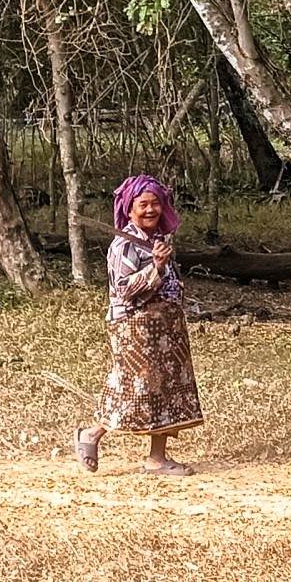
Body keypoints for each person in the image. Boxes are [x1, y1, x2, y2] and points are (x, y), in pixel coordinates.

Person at [73, 174, 202, 475]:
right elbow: (124, 290)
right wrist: (156, 267)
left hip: (165, 327)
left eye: (155, 204)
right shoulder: (123, 246)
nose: (150, 210)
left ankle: (157, 458)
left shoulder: (158, 240)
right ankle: (91, 435)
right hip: (135, 327)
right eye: (143, 204)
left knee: (166, 388)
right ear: (129, 209)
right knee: (133, 389)